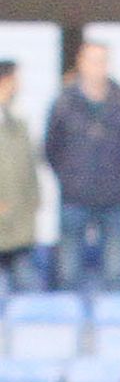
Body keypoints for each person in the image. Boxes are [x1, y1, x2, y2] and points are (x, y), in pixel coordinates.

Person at [44, 40, 120, 291]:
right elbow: (51, 149)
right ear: (81, 64)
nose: (98, 67)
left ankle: (115, 319)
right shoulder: (63, 103)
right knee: (68, 269)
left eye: (102, 61)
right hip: (73, 196)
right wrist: (69, 178)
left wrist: (119, 179)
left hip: (113, 196)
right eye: (92, 61)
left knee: (116, 271)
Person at [0, 61, 41, 290]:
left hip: (20, 225)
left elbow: (29, 167)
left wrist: (34, 200)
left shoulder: (19, 123)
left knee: (25, 291)